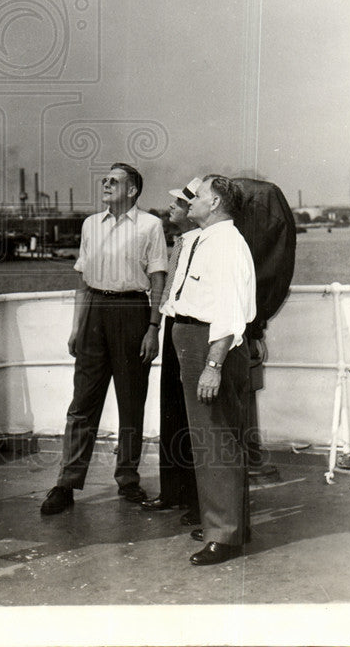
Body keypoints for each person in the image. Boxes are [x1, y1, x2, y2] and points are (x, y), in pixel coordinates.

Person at [40, 162, 168, 514]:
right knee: (82, 403)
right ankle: (66, 484)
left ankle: (127, 480)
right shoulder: (90, 225)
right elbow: (83, 282)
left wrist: (153, 328)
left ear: (133, 191)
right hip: (95, 310)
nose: (106, 184)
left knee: (131, 404)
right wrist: (76, 327)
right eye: (105, 179)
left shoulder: (151, 226)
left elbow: (158, 280)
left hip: (132, 312)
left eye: (115, 181)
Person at [164, 174, 256, 565]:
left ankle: (225, 535)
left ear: (216, 202)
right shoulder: (205, 240)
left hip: (209, 344)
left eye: (199, 196)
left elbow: (231, 312)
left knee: (214, 438)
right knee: (216, 437)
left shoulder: (228, 244)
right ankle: (231, 522)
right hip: (192, 338)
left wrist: (213, 365)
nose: (192, 202)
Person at [140, 179, 202, 522]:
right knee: (172, 414)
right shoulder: (180, 241)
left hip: (190, 330)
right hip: (174, 329)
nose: (172, 208)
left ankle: (194, 499)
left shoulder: (198, 243)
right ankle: (172, 491)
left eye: (180, 203)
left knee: (188, 418)